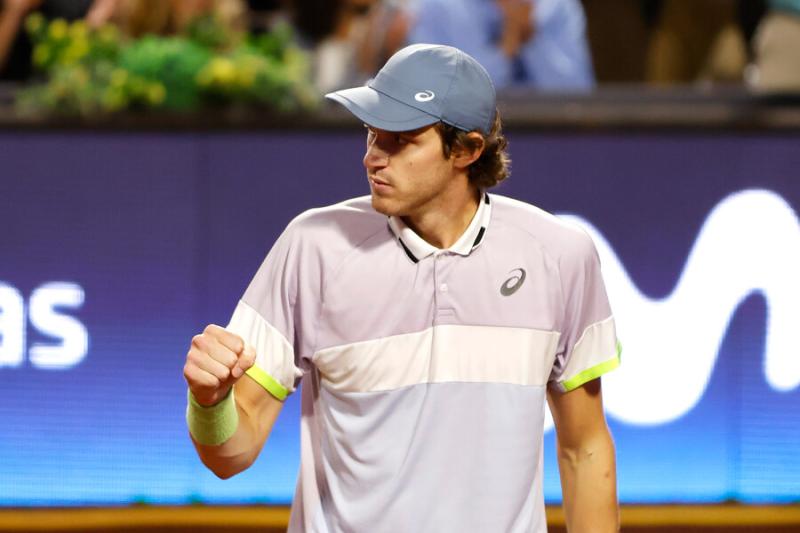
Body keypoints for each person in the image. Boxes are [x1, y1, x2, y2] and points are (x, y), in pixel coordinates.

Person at [183, 44, 620, 532]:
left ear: (469, 149)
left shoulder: (560, 256)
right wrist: (211, 404)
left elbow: (584, 448)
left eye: (401, 140)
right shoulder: (312, 247)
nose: (373, 158)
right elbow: (230, 455)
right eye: (371, 134)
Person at [403, 0, 595, 90]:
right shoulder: (434, 7)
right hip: (464, 146)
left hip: (550, 143)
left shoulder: (558, 6)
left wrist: (530, 38)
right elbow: (432, 95)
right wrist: (505, 51)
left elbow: (577, 96)